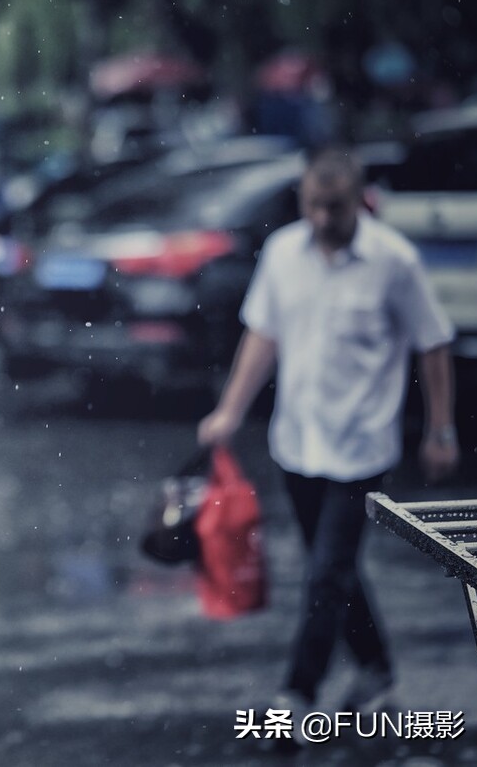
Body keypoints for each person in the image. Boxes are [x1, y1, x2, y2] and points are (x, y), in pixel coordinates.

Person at [197, 146, 460, 716]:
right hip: (297, 441)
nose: (322, 220)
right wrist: (230, 411)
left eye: (335, 209)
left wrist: (440, 428)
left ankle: (297, 693)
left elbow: (433, 342)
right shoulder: (282, 252)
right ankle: (377, 668)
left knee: (325, 573)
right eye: (314, 206)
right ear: (302, 199)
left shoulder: (394, 261)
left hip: (362, 446)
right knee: (332, 568)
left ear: (359, 201)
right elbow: (262, 335)